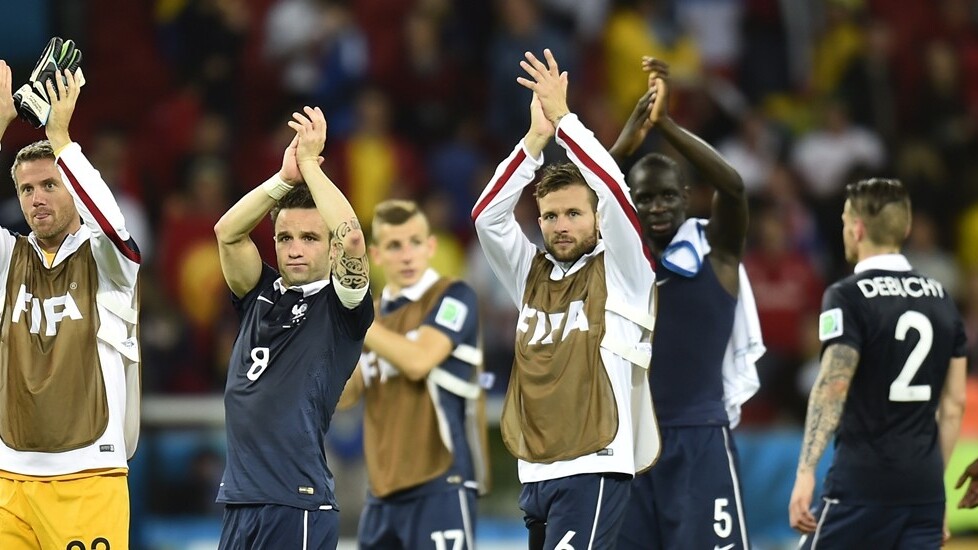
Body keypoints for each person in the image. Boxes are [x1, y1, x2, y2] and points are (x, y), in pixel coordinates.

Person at [472, 49, 658, 550]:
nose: (561, 225)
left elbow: (614, 189)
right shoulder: (529, 273)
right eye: (550, 216)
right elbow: (487, 217)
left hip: (595, 463)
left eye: (574, 213)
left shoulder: (625, 270)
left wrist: (565, 121)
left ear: (597, 218)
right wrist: (534, 141)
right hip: (535, 470)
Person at [609, 57, 762, 550]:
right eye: (645, 199)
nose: (656, 208)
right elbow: (577, 205)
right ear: (629, 203)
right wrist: (625, 144)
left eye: (667, 197)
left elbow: (734, 187)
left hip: (700, 439)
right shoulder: (618, 261)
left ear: (685, 197)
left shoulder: (716, 253)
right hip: (630, 446)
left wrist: (667, 127)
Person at [213, 106, 372, 550]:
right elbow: (227, 232)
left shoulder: (341, 306)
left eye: (310, 238)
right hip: (241, 500)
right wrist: (283, 179)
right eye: (285, 238)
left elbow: (353, 238)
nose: (295, 249)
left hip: (295, 504)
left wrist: (308, 167)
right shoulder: (259, 292)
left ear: (330, 247)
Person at [0, 62, 142, 549]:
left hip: (89, 474)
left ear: (74, 191)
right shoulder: (8, 258)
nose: (36, 198)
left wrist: (62, 141)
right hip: (9, 479)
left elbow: (110, 221)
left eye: (49, 185)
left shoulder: (109, 262)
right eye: (26, 189)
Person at [788, 178, 967, 548]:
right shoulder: (942, 297)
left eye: (843, 221)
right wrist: (935, 488)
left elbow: (833, 385)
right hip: (923, 488)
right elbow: (953, 406)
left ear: (857, 227)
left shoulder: (846, 296)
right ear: (905, 227)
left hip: (861, 484)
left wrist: (805, 473)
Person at [338, 198, 490, 549]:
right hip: (381, 493)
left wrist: (357, 318)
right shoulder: (373, 315)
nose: (406, 255)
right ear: (375, 255)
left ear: (430, 247)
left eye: (415, 243)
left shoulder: (454, 295)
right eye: (394, 245)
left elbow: (420, 360)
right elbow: (345, 395)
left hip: (441, 484)